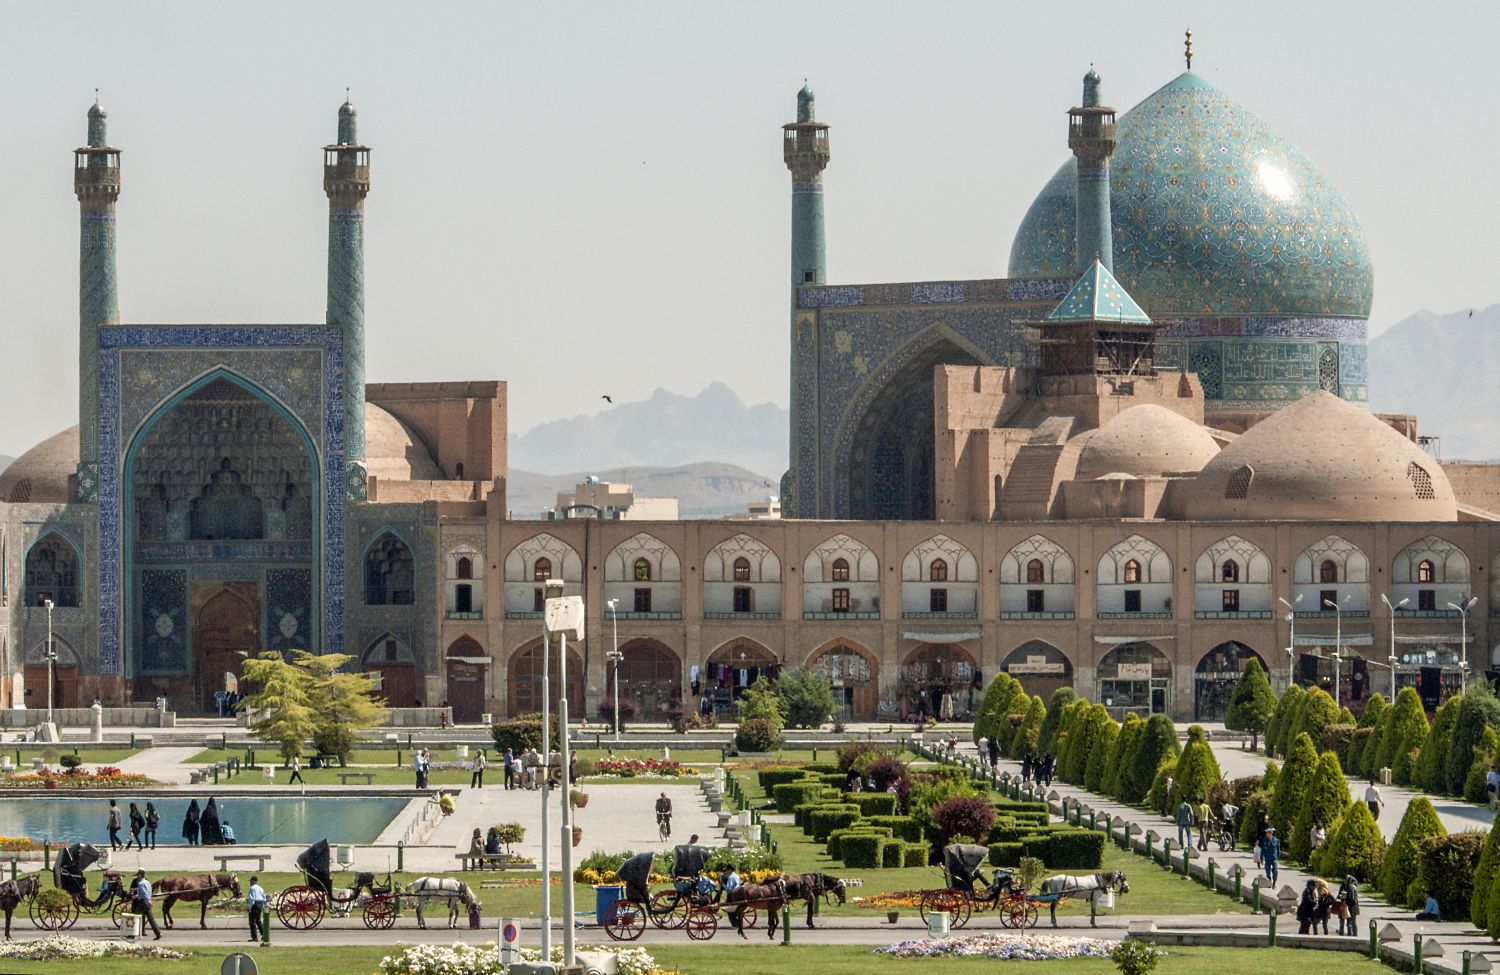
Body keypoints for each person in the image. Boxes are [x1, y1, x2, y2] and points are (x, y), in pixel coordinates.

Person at [133, 869, 162, 940]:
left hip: (142, 903)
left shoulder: (140, 884)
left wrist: (147, 900)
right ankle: (158, 933)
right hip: (147, 902)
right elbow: (148, 892)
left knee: (134, 916)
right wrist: (138, 896)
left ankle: (132, 933)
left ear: (140, 875)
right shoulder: (148, 882)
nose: (137, 876)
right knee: (151, 919)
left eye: (138, 875)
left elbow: (145, 894)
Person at [247, 875, 268, 943]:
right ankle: (264, 935)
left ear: (253, 881)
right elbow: (264, 898)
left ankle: (254, 937)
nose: (250, 882)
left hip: (255, 904)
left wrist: (249, 907)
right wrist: (264, 905)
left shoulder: (252, 888)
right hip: (260, 904)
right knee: (258, 920)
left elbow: (252, 898)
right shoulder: (260, 888)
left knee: (252, 921)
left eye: (250, 881)